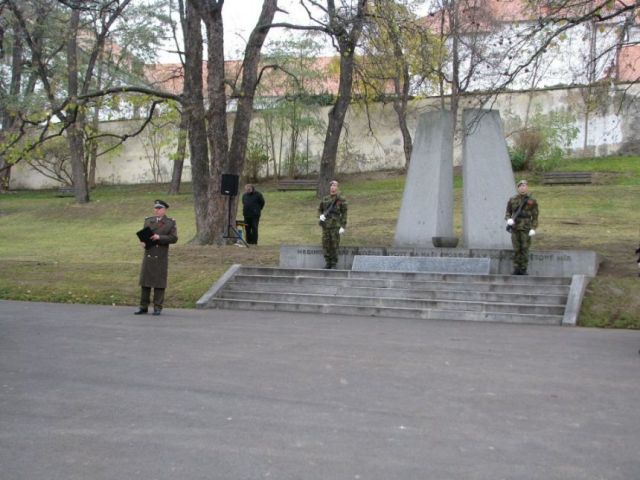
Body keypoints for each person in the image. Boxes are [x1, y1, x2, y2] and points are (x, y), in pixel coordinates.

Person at [135, 199, 178, 315]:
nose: (156, 210)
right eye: (155, 208)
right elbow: (145, 235)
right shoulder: (148, 221)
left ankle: (158, 307)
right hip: (149, 253)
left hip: (160, 255)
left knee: (159, 283)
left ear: (164, 210)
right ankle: (143, 306)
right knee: (145, 282)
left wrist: (159, 237)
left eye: (159, 208)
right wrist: (143, 242)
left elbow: (174, 238)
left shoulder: (170, 223)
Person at [505, 179, 538, 275]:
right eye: (521, 186)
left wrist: (533, 228)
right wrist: (508, 219)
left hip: (526, 228)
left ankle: (523, 269)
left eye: (525, 186)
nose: (523, 187)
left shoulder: (532, 201)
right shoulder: (512, 199)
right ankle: (516, 268)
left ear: (527, 188)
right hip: (515, 228)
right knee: (516, 249)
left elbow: (535, 216)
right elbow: (508, 212)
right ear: (518, 188)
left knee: (524, 248)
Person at [318, 180, 348, 269]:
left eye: (334, 186)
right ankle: (328, 262)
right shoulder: (325, 199)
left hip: (335, 226)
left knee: (334, 245)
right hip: (326, 226)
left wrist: (343, 226)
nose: (333, 187)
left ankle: (334, 263)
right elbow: (319, 209)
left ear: (337, 187)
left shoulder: (341, 199)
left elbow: (344, 213)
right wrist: (321, 216)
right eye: (331, 186)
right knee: (325, 245)